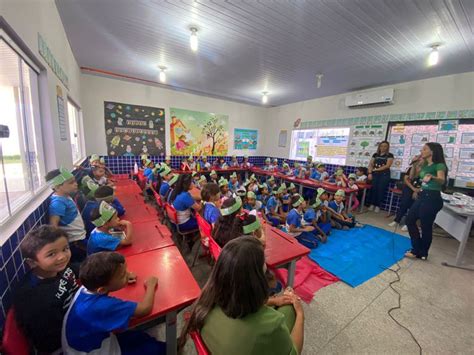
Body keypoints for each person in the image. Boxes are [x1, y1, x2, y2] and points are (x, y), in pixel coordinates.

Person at [179, 237, 304, 355]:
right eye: (264, 265)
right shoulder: (272, 325)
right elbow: (294, 352)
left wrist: (274, 301)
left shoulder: (206, 302)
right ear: (256, 280)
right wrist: (300, 315)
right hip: (260, 336)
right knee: (290, 307)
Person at [62, 252, 164, 354]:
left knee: (140, 336)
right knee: (155, 349)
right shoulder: (101, 306)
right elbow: (144, 309)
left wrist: (124, 278)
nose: (128, 274)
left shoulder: (87, 286)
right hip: (96, 351)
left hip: (86, 342)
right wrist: (151, 286)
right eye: (122, 275)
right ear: (102, 289)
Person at [13, 226, 80, 353]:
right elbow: (50, 339)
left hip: (77, 318)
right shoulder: (38, 299)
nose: (62, 257)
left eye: (65, 249)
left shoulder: (58, 268)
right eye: (51, 254)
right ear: (32, 262)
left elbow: (82, 269)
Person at [405, 143, 447, 260]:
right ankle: (417, 248)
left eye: (424, 149)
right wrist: (414, 163)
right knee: (410, 220)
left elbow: (442, 179)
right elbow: (412, 176)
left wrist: (432, 177)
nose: (421, 151)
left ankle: (422, 253)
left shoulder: (439, 165)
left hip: (432, 197)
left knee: (425, 226)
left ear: (432, 151)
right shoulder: (424, 164)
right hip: (423, 195)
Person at [46, 167, 87, 249]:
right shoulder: (58, 203)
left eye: (75, 181)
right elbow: (53, 225)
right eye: (71, 183)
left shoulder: (66, 196)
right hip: (74, 242)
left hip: (79, 237)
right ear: (57, 187)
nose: (76, 184)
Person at [389, 155, 423, 231]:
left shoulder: (425, 170)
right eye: (417, 158)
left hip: (419, 190)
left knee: (413, 207)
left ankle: (409, 223)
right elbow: (406, 179)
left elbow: (424, 183)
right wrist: (413, 189)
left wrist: (416, 190)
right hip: (410, 187)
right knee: (404, 203)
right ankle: (397, 220)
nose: (418, 159)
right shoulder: (411, 168)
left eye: (420, 158)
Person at [368, 141, 394, 213]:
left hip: (384, 175)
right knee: (374, 189)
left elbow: (387, 165)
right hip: (375, 174)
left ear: (387, 147)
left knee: (381, 189)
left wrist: (376, 169)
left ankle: (378, 205)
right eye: (381, 146)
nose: (383, 147)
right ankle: (372, 204)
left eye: (385, 146)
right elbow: (371, 164)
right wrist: (370, 173)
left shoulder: (390, 155)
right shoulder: (375, 154)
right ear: (379, 147)